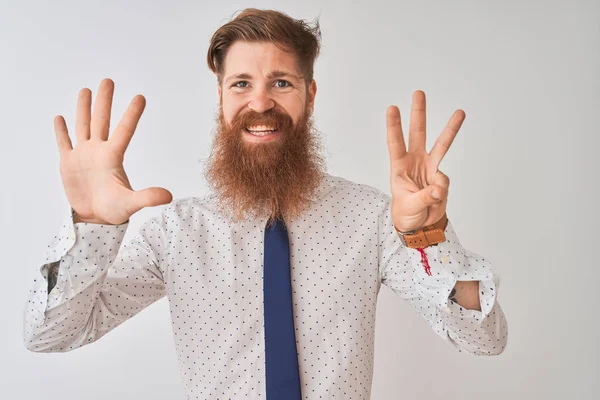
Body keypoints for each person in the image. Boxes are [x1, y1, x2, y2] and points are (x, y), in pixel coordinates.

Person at [23, 8, 508, 399]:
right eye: (241, 84)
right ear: (220, 97)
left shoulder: (375, 220)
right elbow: (49, 335)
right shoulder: (174, 232)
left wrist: (431, 236)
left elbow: (484, 339)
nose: (259, 103)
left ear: (309, 95)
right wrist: (90, 227)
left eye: (281, 82)